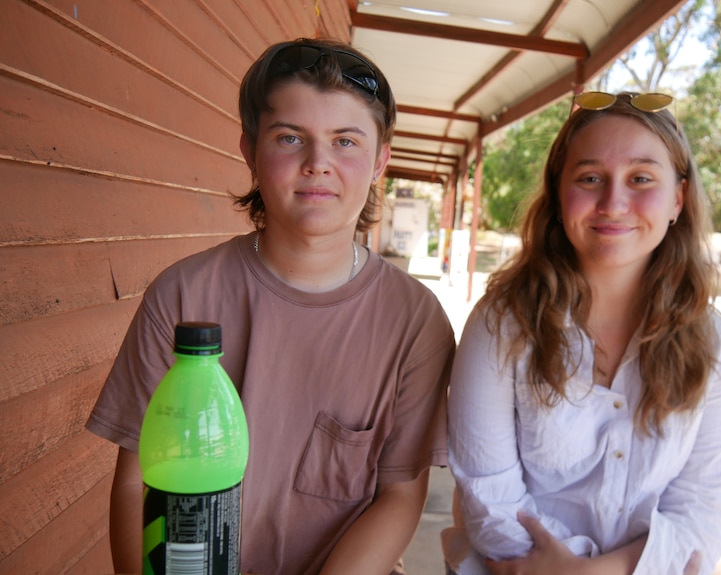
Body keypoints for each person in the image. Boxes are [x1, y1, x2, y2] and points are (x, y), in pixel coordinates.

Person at [87, 37, 456, 575]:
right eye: (290, 138)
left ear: (380, 162)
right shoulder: (183, 295)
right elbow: (134, 478)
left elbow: (400, 495)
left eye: (346, 142)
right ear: (250, 151)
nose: (318, 164)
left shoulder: (416, 321)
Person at [443, 92, 721, 575]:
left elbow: (706, 508)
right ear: (560, 195)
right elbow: (487, 499)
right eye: (590, 179)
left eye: (641, 178)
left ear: (678, 199)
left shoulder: (712, 343)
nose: (614, 202)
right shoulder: (502, 324)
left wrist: (588, 573)